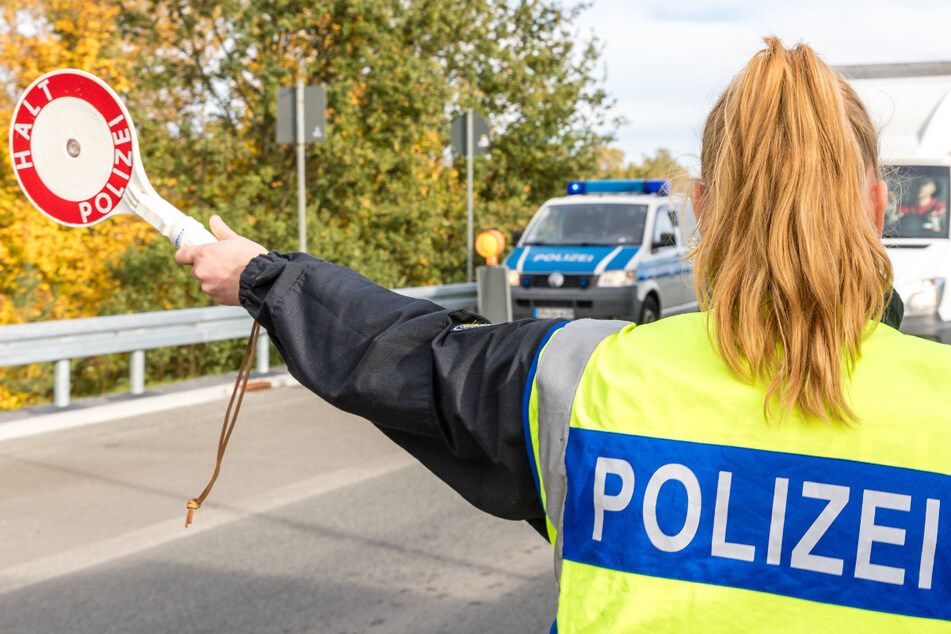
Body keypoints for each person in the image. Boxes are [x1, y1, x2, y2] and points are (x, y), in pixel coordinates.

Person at [175, 38, 951, 632]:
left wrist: (262, 276)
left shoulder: (583, 379)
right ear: (877, 206)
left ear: (703, 208)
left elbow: (402, 355)